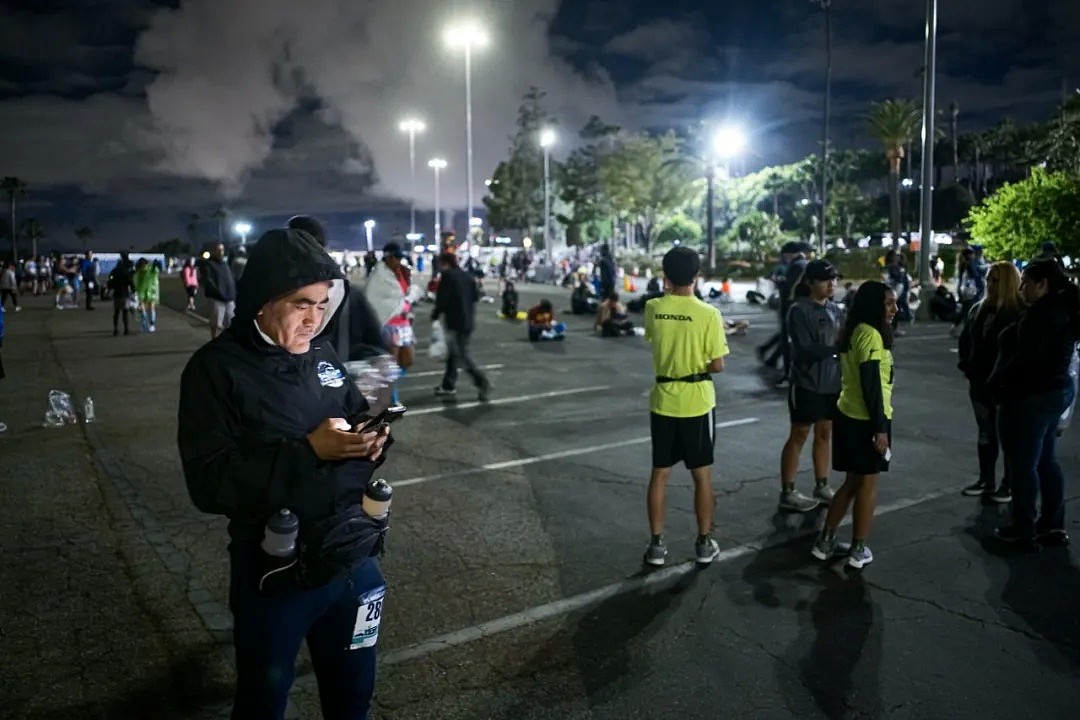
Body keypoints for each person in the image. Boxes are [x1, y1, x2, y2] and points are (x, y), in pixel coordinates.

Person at [178, 228, 391, 719]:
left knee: (354, 696)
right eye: (301, 304)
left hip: (354, 559)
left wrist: (373, 441)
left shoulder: (322, 357)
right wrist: (307, 451)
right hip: (276, 574)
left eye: (322, 304)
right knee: (263, 702)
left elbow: (356, 412)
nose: (315, 318)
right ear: (261, 300)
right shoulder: (215, 371)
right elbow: (208, 483)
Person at [642, 247, 729, 566]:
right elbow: (717, 365)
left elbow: (658, 340)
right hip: (697, 401)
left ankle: (656, 545)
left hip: (663, 399)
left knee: (660, 474)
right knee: (701, 476)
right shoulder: (709, 314)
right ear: (697, 275)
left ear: (666, 275)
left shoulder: (653, 308)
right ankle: (704, 543)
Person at [988, 259, 1080, 550]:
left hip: (1033, 396)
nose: (1022, 288)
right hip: (1054, 392)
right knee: (1045, 460)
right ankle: (1052, 525)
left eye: (1027, 282)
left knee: (1024, 464)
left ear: (1043, 285)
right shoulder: (1063, 311)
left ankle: (1023, 528)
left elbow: (1025, 361)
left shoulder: (1041, 315)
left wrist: (998, 384)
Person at [811, 281, 897, 569]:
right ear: (874, 306)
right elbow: (871, 382)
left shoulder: (853, 331)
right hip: (867, 419)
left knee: (851, 483)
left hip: (848, 415)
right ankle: (859, 549)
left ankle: (826, 542)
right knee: (867, 486)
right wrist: (880, 428)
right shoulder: (870, 336)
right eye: (888, 304)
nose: (894, 309)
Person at [779, 259, 843, 513]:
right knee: (799, 435)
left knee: (825, 433)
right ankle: (788, 490)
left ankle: (822, 484)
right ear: (810, 283)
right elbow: (803, 350)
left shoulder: (836, 310)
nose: (832, 284)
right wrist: (836, 348)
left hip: (831, 384)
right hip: (807, 384)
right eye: (826, 280)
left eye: (834, 279)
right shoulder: (799, 310)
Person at [957, 262, 1023, 501]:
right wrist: (967, 367)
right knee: (985, 433)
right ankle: (987, 479)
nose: (990, 284)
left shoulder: (1018, 312)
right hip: (979, 382)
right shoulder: (979, 309)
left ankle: (1008, 484)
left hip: (1006, 387)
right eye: (988, 279)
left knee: (1008, 436)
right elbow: (966, 341)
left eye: (996, 280)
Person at [432, 252, 491, 401]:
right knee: (454, 354)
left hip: (454, 321)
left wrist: (435, 314)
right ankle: (448, 385)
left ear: (445, 263)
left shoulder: (447, 276)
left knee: (461, 355)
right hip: (468, 321)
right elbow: (475, 297)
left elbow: (442, 300)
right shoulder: (467, 276)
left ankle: (481, 381)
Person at [365, 242, 416, 402]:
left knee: (407, 360)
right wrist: (402, 304)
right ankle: (390, 397)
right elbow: (373, 300)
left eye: (400, 258)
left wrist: (407, 302)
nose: (399, 261)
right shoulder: (378, 275)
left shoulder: (401, 272)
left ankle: (382, 388)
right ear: (388, 257)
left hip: (404, 323)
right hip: (389, 323)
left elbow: (403, 294)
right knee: (390, 364)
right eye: (396, 257)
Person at [200, 242, 237, 339]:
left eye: (222, 250)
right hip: (217, 299)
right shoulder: (209, 264)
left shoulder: (225, 265)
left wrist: (233, 293)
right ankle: (214, 340)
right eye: (218, 250)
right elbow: (208, 281)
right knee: (216, 323)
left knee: (231, 322)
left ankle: (230, 342)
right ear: (214, 251)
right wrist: (218, 292)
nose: (221, 252)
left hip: (229, 299)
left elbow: (231, 279)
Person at [107, 252, 135, 336]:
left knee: (116, 312)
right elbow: (130, 282)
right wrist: (133, 290)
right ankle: (126, 329)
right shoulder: (126, 272)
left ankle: (115, 330)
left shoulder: (114, 272)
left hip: (116, 294)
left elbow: (110, 281)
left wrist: (110, 289)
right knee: (125, 312)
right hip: (124, 293)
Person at [133, 258, 161, 333]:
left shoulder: (148, 270)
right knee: (148, 309)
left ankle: (148, 325)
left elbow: (135, 282)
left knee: (147, 309)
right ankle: (149, 325)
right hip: (149, 292)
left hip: (147, 292)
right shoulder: (147, 270)